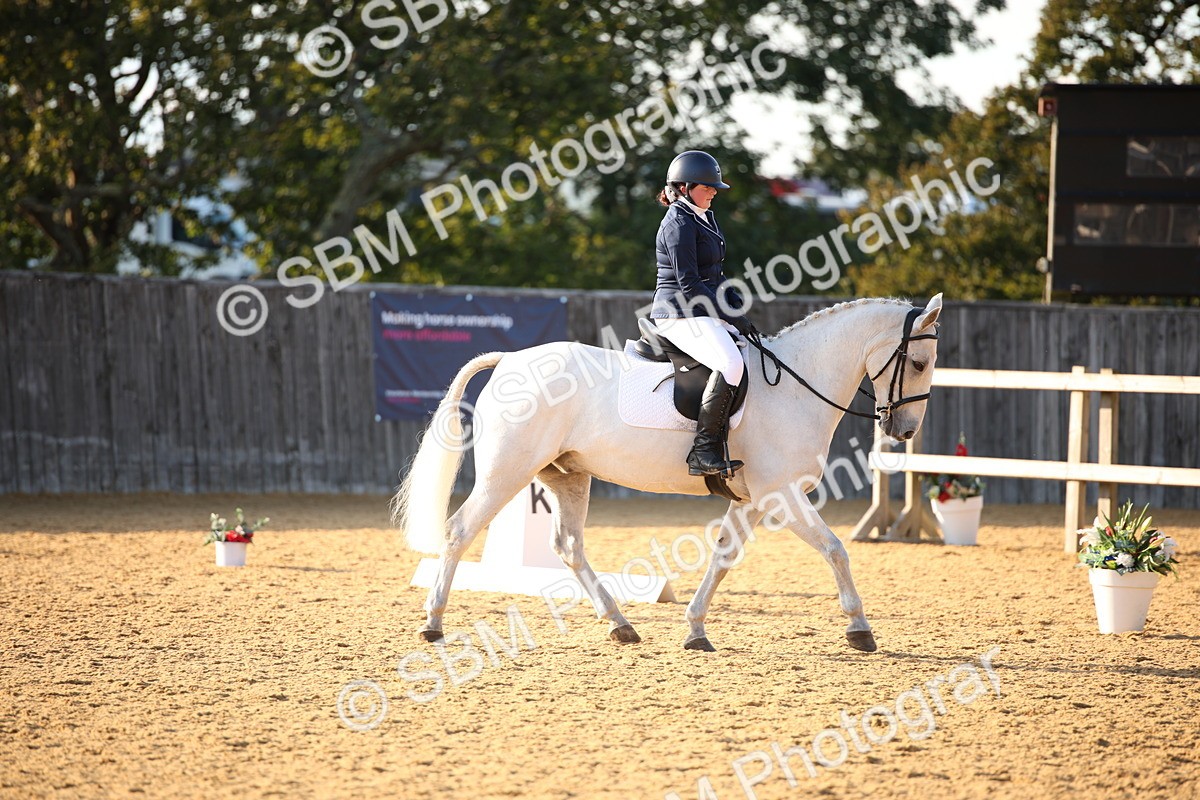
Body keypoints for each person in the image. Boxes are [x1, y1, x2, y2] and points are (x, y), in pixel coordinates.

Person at [650, 150, 754, 478]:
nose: (714, 192)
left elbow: (716, 276)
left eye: (714, 188)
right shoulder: (678, 222)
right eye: (707, 187)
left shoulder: (704, 216)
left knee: (749, 351)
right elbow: (690, 284)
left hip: (698, 310)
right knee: (731, 363)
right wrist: (731, 317)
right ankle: (703, 450)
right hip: (677, 313)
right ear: (683, 187)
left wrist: (736, 307)